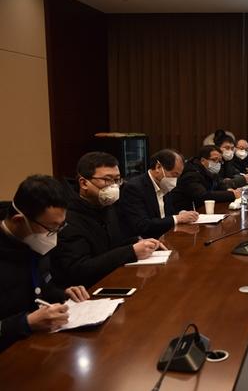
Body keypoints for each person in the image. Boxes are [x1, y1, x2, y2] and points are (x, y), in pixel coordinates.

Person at [0, 175, 89, 351]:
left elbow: (39, 288)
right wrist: (25, 323)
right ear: (19, 220)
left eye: (60, 226)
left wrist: (62, 293)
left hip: (40, 343)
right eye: (51, 227)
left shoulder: (33, 240)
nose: (55, 234)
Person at [52, 152, 166, 288]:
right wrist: (130, 251)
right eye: (107, 180)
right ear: (84, 183)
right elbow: (79, 269)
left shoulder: (108, 206)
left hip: (116, 279)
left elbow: (111, 246)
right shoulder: (67, 216)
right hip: (88, 290)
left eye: (117, 180)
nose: (114, 186)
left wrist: (138, 241)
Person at [118, 149, 198, 239]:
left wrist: (181, 214)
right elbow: (143, 225)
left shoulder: (164, 184)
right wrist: (177, 218)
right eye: (174, 175)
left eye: (178, 177)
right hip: (146, 241)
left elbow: (167, 215)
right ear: (158, 167)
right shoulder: (134, 187)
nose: (175, 180)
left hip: (166, 237)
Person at [170, 145, 242, 211]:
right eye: (214, 160)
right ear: (203, 161)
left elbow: (220, 184)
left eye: (219, 161)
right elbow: (203, 196)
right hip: (185, 212)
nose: (217, 163)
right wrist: (231, 194)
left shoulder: (210, 171)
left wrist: (228, 189)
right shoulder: (191, 174)